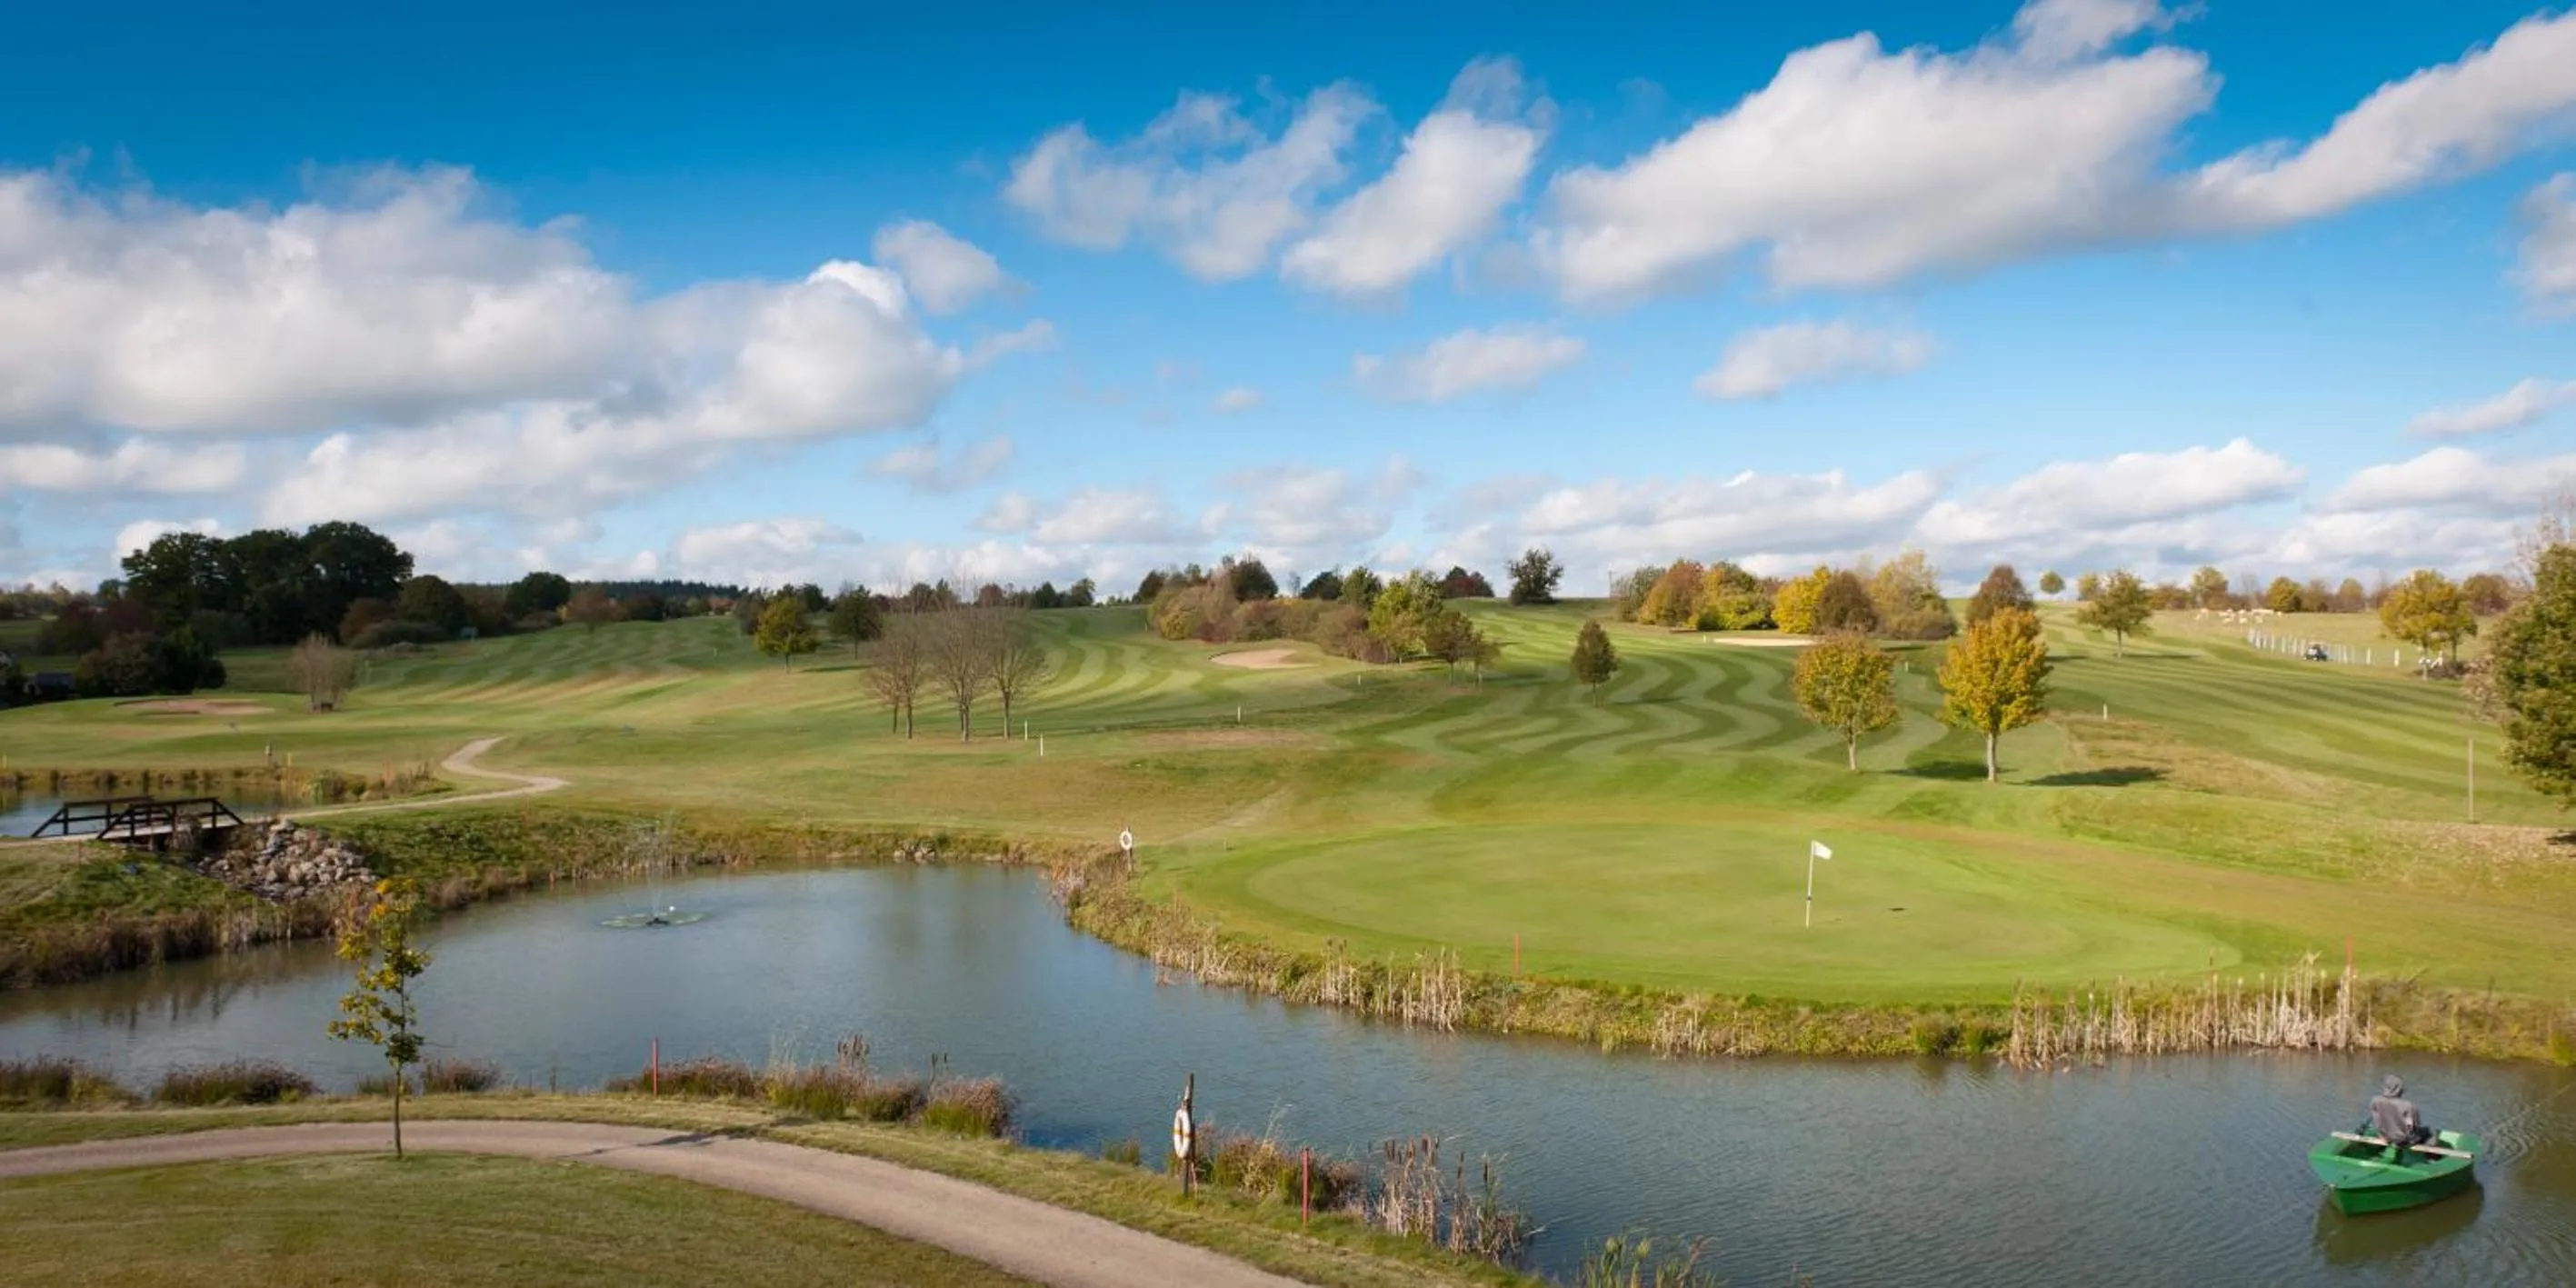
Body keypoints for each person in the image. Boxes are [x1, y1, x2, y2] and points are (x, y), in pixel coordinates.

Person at [2368, 1074, 2433, 1147]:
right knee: (2430, 1131)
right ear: (2400, 1089)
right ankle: (2432, 1156)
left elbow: (2376, 1122)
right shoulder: (2408, 1106)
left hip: (2384, 1137)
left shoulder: (2375, 1100)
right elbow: (2414, 1126)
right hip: (2403, 1140)